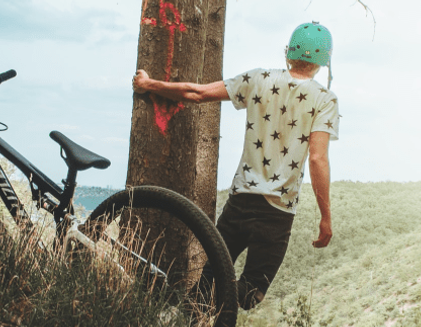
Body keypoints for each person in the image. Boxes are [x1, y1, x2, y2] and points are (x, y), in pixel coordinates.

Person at [132, 22, 339, 310]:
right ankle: (177, 318)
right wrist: (325, 217)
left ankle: (167, 316)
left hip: (240, 201)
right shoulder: (325, 99)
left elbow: (197, 93)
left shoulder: (258, 79)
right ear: (324, 62)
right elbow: (318, 158)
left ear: (288, 53)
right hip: (277, 213)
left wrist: (148, 84)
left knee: (207, 288)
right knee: (250, 294)